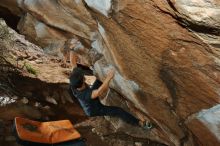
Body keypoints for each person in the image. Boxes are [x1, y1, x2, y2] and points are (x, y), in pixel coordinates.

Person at [69, 67, 153, 129]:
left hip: (90, 100)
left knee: (98, 81)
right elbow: (99, 92)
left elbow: (73, 65)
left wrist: (72, 49)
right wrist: (109, 77)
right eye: (83, 78)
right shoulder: (85, 95)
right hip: (94, 109)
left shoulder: (73, 83)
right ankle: (140, 124)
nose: (84, 77)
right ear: (82, 82)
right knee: (118, 111)